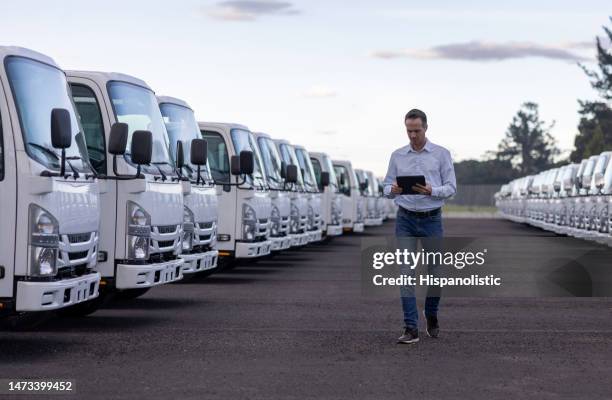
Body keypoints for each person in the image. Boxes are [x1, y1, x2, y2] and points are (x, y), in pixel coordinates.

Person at [383, 109, 457, 344]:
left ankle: (431, 313)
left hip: (431, 218)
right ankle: (410, 328)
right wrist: (391, 190)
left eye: (416, 130)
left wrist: (432, 191)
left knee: (436, 274)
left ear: (426, 128)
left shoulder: (441, 154)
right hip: (405, 218)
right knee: (405, 274)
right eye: (408, 130)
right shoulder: (397, 155)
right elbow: (385, 185)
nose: (412, 135)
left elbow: (451, 187)